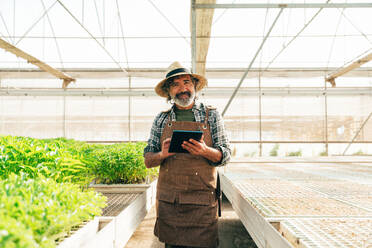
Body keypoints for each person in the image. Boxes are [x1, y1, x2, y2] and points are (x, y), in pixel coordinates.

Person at [143, 61, 231, 248]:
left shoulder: (212, 116)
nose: (183, 88)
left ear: (195, 86)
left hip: (202, 202)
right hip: (171, 204)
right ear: (168, 91)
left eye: (187, 82)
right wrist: (162, 154)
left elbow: (226, 155)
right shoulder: (161, 119)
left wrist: (205, 151)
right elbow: (148, 160)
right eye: (175, 84)